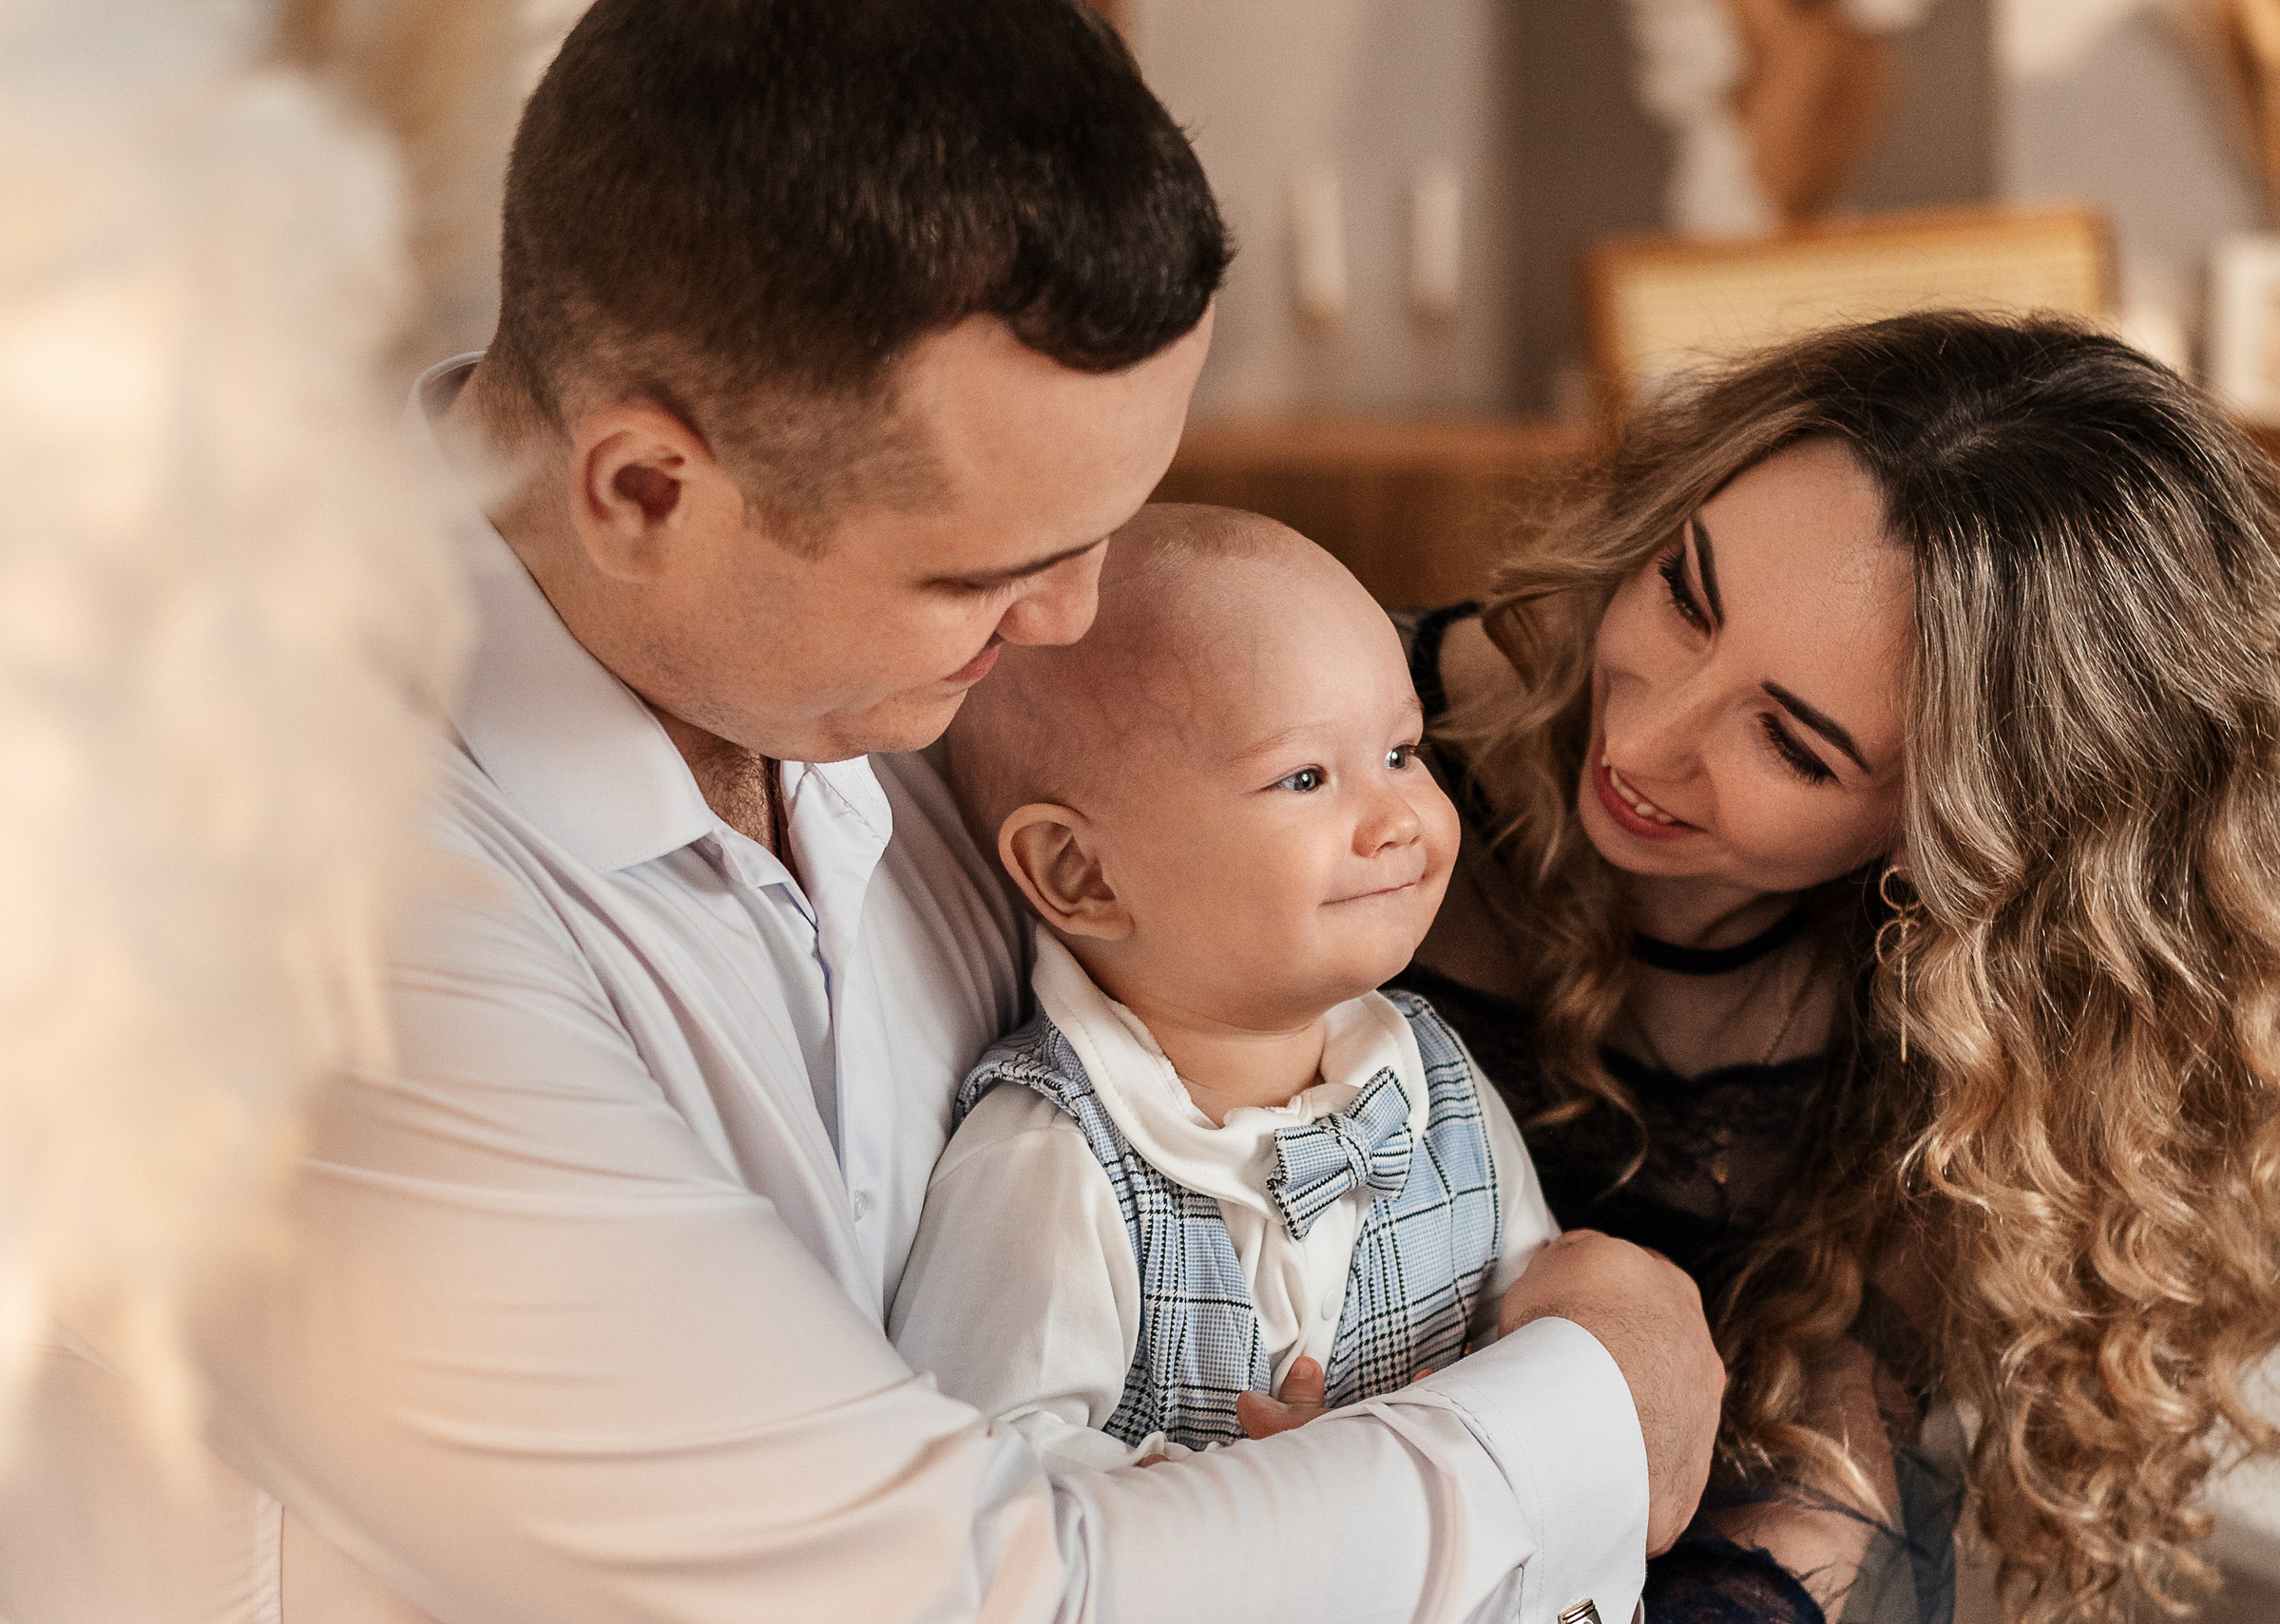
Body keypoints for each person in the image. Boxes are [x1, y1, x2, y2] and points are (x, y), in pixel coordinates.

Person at [7, 4, 1726, 1621]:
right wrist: (1596, 1396)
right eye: (993, 568)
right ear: (647, 489)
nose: (1069, 621)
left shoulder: (860, 678)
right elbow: (964, 1586)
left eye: (1102, 529)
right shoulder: (286, 908)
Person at [1392, 310, 2280, 1624]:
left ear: (1964, 837)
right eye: (1685, 595)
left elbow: (1823, 1482)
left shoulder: (1969, 1006)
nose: (1645, 736)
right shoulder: (1323, 739)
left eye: (1796, 746)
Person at [891, 506, 1562, 1470]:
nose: (1396, 819)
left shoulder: (1435, 1084)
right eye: (1303, 777)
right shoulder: (1051, 1163)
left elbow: (1545, 1348)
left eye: (1399, 754)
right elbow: (989, 1499)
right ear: (1081, 872)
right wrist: (1269, 1494)